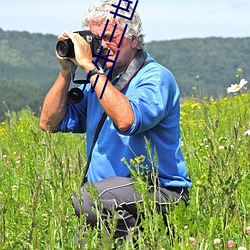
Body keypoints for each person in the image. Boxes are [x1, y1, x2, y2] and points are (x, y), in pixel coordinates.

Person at [40, 0, 192, 244]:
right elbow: (49, 123)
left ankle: (147, 241)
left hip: (160, 192)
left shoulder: (154, 77)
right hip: (110, 199)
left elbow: (127, 120)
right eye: (96, 38)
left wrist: (89, 67)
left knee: (88, 200)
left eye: (110, 37)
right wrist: (66, 70)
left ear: (133, 39)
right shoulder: (99, 80)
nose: (102, 46)